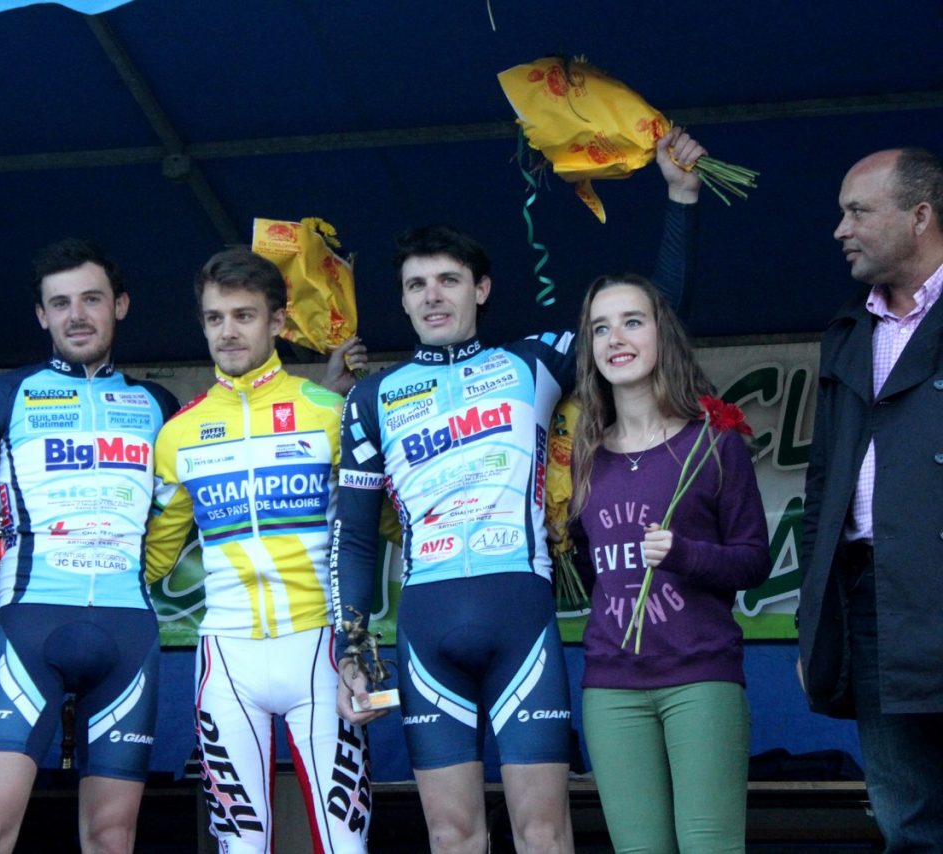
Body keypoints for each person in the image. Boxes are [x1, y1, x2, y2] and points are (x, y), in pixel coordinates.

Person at [332, 128, 705, 853]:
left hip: (521, 617)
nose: (432, 296)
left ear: (481, 288)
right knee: (452, 835)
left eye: (448, 280)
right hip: (426, 626)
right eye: (415, 285)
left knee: (544, 832)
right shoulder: (371, 399)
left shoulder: (532, 363)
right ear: (401, 299)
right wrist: (351, 646)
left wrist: (682, 199)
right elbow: (352, 538)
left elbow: (650, 322)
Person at [0, 238, 179, 854]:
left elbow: (184, 513)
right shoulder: (3, 395)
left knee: (112, 837)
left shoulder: (157, 405)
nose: (76, 315)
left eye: (91, 299)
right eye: (60, 303)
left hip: (128, 633)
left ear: (120, 305)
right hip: (30, 627)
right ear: (41, 315)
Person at [145, 246, 373, 852]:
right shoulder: (178, 434)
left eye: (243, 316)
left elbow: (383, 525)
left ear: (277, 321)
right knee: (241, 846)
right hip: (227, 656)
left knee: (344, 844)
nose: (227, 331)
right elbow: (152, 559)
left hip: (321, 649)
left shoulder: (330, 411)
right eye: (214, 318)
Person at [568, 275, 770, 852]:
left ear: (662, 335)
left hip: (700, 677)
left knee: (710, 845)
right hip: (611, 685)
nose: (615, 338)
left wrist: (685, 554)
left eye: (632, 322)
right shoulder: (582, 456)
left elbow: (754, 560)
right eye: (600, 328)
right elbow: (588, 568)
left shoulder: (713, 442)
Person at [797, 147, 943, 850]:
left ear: (921, 216)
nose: (841, 230)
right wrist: (812, 619)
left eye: (858, 211)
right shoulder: (849, 330)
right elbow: (823, 484)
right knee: (907, 822)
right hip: (871, 600)